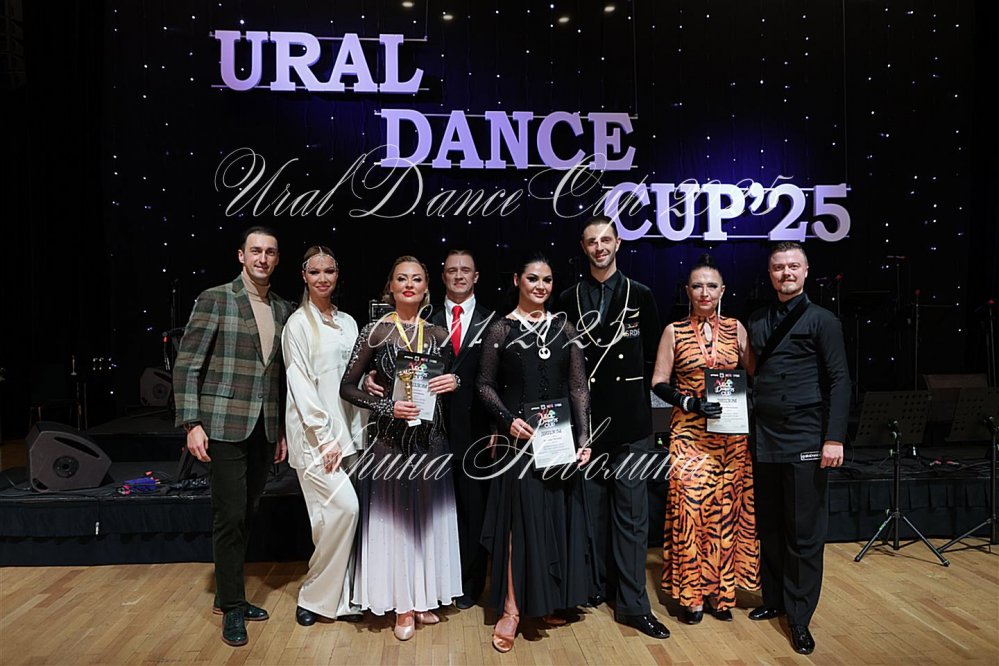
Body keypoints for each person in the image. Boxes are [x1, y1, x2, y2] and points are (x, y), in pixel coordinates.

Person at [172, 226, 294, 647]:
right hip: (222, 423)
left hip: (264, 426)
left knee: (248, 511)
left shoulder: (283, 308)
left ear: (277, 259)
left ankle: (228, 594)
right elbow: (187, 365)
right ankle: (232, 607)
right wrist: (191, 423)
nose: (263, 258)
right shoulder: (216, 298)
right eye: (255, 251)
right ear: (241, 255)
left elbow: (277, 377)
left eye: (270, 252)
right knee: (229, 514)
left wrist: (280, 430)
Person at [554, 215, 669, 639]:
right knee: (591, 514)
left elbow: (656, 359)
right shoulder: (567, 298)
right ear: (583, 248)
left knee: (633, 518)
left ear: (618, 243)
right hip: (586, 425)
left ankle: (633, 605)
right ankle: (594, 589)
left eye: (605, 240)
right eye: (591, 242)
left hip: (632, 423)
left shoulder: (642, 294)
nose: (599, 247)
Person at [339, 255, 463, 641]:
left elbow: (454, 379)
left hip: (431, 441)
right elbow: (347, 387)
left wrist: (455, 382)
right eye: (401, 279)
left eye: (417, 279)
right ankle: (402, 605)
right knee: (395, 524)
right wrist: (384, 406)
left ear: (427, 288)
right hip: (390, 443)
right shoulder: (375, 332)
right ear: (390, 287)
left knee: (426, 522)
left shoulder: (439, 334)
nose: (409, 285)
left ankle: (422, 597)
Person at [476, 252, 594, 653]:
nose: (540, 286)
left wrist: (585, 437)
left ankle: (545, 602)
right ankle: (511, 610)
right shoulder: (501, 328)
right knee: (518, 526)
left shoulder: (565, 328)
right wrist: (507, 420)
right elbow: (484, 385)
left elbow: (578, 387)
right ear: (517, 281)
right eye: (532, 279)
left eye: (546, 280)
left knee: (552, 521)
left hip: (558, 442)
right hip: (519, 443)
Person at [746, 241, 849, 655]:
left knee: (804, 533)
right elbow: (749, 377)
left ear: (806, 271)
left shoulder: (824, 320)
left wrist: (834, 437)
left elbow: (840, 380)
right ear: (770, 274)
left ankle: (800, 617)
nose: (786, 273)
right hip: (763, 436)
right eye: (778, 267)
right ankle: (774, 600)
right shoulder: (756, 321)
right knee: (770, 527)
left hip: (806, 436)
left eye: (793, 266)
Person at [651, 254, 760, 625]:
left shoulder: (736, 328)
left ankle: (720, 593)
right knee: (690, 510)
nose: (704, 292)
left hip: (730, 435)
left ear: (722, 290)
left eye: (711, 286)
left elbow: (754, 371)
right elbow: (658, 381)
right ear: (687, 291)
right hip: (689, 433)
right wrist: (689, 402)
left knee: (724, 512)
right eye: (697, 286)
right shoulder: (674, 331)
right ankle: (691, 596)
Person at [281, 245, 364, 626]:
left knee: (333, 521)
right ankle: (313, 595)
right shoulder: (297, 324)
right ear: (304, 276)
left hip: (349, 433)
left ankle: (340, 600)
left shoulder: (348, 322)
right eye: (315, 272)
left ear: (337, 274)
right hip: (316, 439)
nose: (322, 278)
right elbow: (299, 384)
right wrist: (324, 435)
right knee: (341, 511)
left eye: (329, 271)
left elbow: (352, 377)